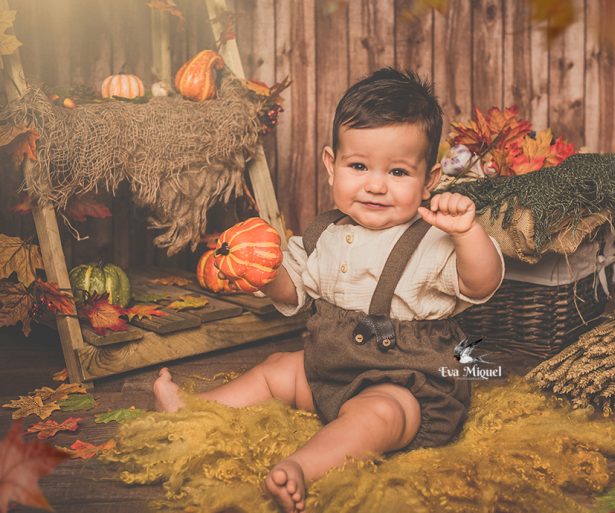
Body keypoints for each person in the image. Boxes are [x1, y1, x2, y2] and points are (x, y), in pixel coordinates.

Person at [153, 67, 505, 513]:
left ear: (429, 181)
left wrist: (467, 232)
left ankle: (300, 467)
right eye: (358, 166)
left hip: (409, 385)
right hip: (332, 370)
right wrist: (264, 275)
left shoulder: (433, 239)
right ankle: (193, 410)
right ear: (330, 165)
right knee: (278, 368)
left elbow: (482, 283)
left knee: (376, 414)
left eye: (398, 171)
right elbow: (293, 291)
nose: (375, 185)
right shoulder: (324, 234)